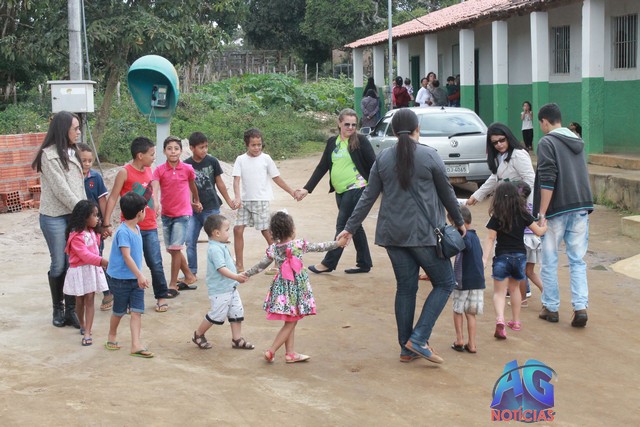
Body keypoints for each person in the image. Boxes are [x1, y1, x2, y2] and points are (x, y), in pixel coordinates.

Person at [339, 108, 465, 364]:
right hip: (423, 235)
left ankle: (406, 348)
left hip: (392, 235)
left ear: (394, 131)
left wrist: (350, 228)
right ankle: (418, 338)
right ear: (418, 128)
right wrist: (459, 221)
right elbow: (447, 193)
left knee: (406, 288)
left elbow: (368, 197)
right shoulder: (429, 155)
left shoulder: (383, 158)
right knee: (445, 282)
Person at [244, 211, 348, 363]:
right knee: (292, 321)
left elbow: (261, 265)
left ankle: (290, 353)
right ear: (292, 230)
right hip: (295, 289)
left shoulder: (273, 249)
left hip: (281, 288)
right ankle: (271, 351)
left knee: (290, 319)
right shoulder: (298, 245)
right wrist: (338, 244)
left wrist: (247, 274)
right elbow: (320, 247)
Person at [534, 103, 594, 327]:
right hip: (580, 206)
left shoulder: (547, 142)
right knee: (577, 261)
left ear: (544, 122)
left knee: (549, 260)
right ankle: (580, 308)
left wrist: (542, 212)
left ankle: (551, 308)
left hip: (556, 209)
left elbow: (548, 179)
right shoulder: (577, 140)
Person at [296, 108, 375, 275]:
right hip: (340, 191)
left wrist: (376, 188)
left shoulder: (360, 141)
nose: (350, 128)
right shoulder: (333, 142)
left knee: (343, 225)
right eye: (347, 124)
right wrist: (307, 188)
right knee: (354, 225)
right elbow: (322, 166)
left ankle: (328, 263)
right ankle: (364, 263)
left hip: (357, 188)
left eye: (354, 125)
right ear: (339, 123)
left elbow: (374, 165)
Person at [103, 137, 176, 313]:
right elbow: (113, 197)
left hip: (150, 225)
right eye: (151, 154)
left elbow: (152, 191)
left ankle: (161, 296)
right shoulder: (124, 172)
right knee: (130, 264)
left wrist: (156, 203)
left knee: (156, 263)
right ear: (140, 155)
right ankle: (127, 300)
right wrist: (106, 222)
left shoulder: (150, 170)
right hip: (130, 228)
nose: (153, 157)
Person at [32, 111, 85, 328]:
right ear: (64, 130)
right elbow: (61, 190)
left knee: (73, 263)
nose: (79, 132)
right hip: (54, 216)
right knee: (59, 264)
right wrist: (84, 211)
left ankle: (71, 310)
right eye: (75, 128)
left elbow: (79, 187)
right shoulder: (48, 155)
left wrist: (85, 210)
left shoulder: (74, 152)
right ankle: (58, 308)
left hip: (74, 215)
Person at [482, 182, 547, 340]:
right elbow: (538, 232)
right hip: (519, 257)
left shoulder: (497, 216)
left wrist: (484, 258)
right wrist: (544, 225)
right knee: (515, 289)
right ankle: (516, 322)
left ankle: (500, 320)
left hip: (502, 257)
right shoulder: (523, 213)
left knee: (499, 292)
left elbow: (490, 238)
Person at [232, 128, 296, 272]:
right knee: (237, 229)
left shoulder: (266, 159)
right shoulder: (240, 159)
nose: (257, 148)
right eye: (253, 145)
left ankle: (278, 260)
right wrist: (237, 197)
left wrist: (291, 191)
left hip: (260, 200)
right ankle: (239, 265)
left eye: (259, 144)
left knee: (266, 231)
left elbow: (276, 178)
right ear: (246, 144)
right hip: (245, 201)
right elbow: (236, 180)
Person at [191, 214, 253, 351]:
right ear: (217, 233)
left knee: (236, 312)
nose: (228, 233)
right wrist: (236, 277)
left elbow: (227, 265)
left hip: (230, 287)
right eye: (226, 230)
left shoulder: (220, 245)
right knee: (216, 314)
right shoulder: (214, 249)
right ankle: (198, 334)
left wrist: (236, 274)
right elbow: (221, 268)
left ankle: (237, 339)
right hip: (220, 290)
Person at [105, 191, 153, 358]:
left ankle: (136, 344)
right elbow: (126, 256)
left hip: (135, 278)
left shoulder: (137, 228)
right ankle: (112, 335)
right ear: (140, 213)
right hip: (120, 280)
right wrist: (140, 275)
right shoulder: (123, 232)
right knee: (119, 311)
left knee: (137, 311)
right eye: (145, 210)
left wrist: (139, 275)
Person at [184, 132, 235, 281]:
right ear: (191, 148)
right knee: (189, 241)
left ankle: (225, 267)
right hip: (193, 212)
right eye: (201, 147)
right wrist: (191, 203)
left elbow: (219, 182)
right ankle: (192, 272)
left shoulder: (212, 161)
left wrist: (228, 200)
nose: (205, 150)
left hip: (211, 207)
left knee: (217, 239)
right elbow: (186, 187)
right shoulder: (186, 165)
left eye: (206, 146)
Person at [152, 136, 200, 294]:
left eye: (176, 148)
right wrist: (155, 202)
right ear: (164, 151)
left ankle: (172, 284)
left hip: (183, 214)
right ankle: (189, 275)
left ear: (181, 151)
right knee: (172, 250)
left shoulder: (187, 169)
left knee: (175, 248)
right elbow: (155, 188)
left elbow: (193, 186)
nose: (173, 151)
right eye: (169, 148)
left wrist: (196, 200)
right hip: (166, 215)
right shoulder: (159, 170)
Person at [63, 200, 109, 346]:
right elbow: (85, 255)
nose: (97, 218)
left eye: (98, 215)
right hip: (80, 271)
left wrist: (101, 233)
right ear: (84, 217)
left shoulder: (93, 232)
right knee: (80, 300)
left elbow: (94, 248)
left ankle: (87, 331)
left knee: (90, 299)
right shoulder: (76, 236)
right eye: (94, 215)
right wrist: (103, 262)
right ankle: (82, 323)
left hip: (91, 270)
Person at [77, 142, 113, 311]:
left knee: (96, 258)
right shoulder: (72, 177)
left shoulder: (95, 178)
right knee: (82, 260)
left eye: (90, 161)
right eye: (83, 160)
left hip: (95, 226)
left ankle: (108, 292)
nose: (87, 164)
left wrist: (105, 224)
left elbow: (102, 201)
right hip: (78, 227)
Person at [466, 123, 535, 206]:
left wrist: (517, 198)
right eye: (495, 142)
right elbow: (494, 178)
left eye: (502, 140)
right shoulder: (499, 156)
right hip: (506, 203)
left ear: (508, 137)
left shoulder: (518, 154)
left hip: (521, 204)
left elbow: (530, 180)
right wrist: (476, 196)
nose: (499, 144)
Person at [450, 206, 484, 354]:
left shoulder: (465, 237)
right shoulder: (475, 236)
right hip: (477, 282)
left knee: (458, 310)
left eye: (453, 224)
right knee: (471, 313)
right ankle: (472, 344)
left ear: (460, 222)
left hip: (462, 280)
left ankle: (459, 340)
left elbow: (465, 247)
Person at [514, 181, 543, 306]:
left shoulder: (516, 209)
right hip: (534, 240)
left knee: (521, 272)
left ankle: (522, 299)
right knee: (530, 272)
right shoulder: (531, 207)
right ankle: (546, 293)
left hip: (523, 241)